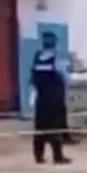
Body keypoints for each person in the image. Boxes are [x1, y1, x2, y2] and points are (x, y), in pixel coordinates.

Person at [29, 31, 72, 165]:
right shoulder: (57, 59)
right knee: (55, 127)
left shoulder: (37, 58)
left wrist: (32, 97)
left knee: (40, 127)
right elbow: (66, 78)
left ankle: (38, 156)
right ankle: (58, 157)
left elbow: (33, 79)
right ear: (55, 43)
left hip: (41, 98)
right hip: (54, 99)